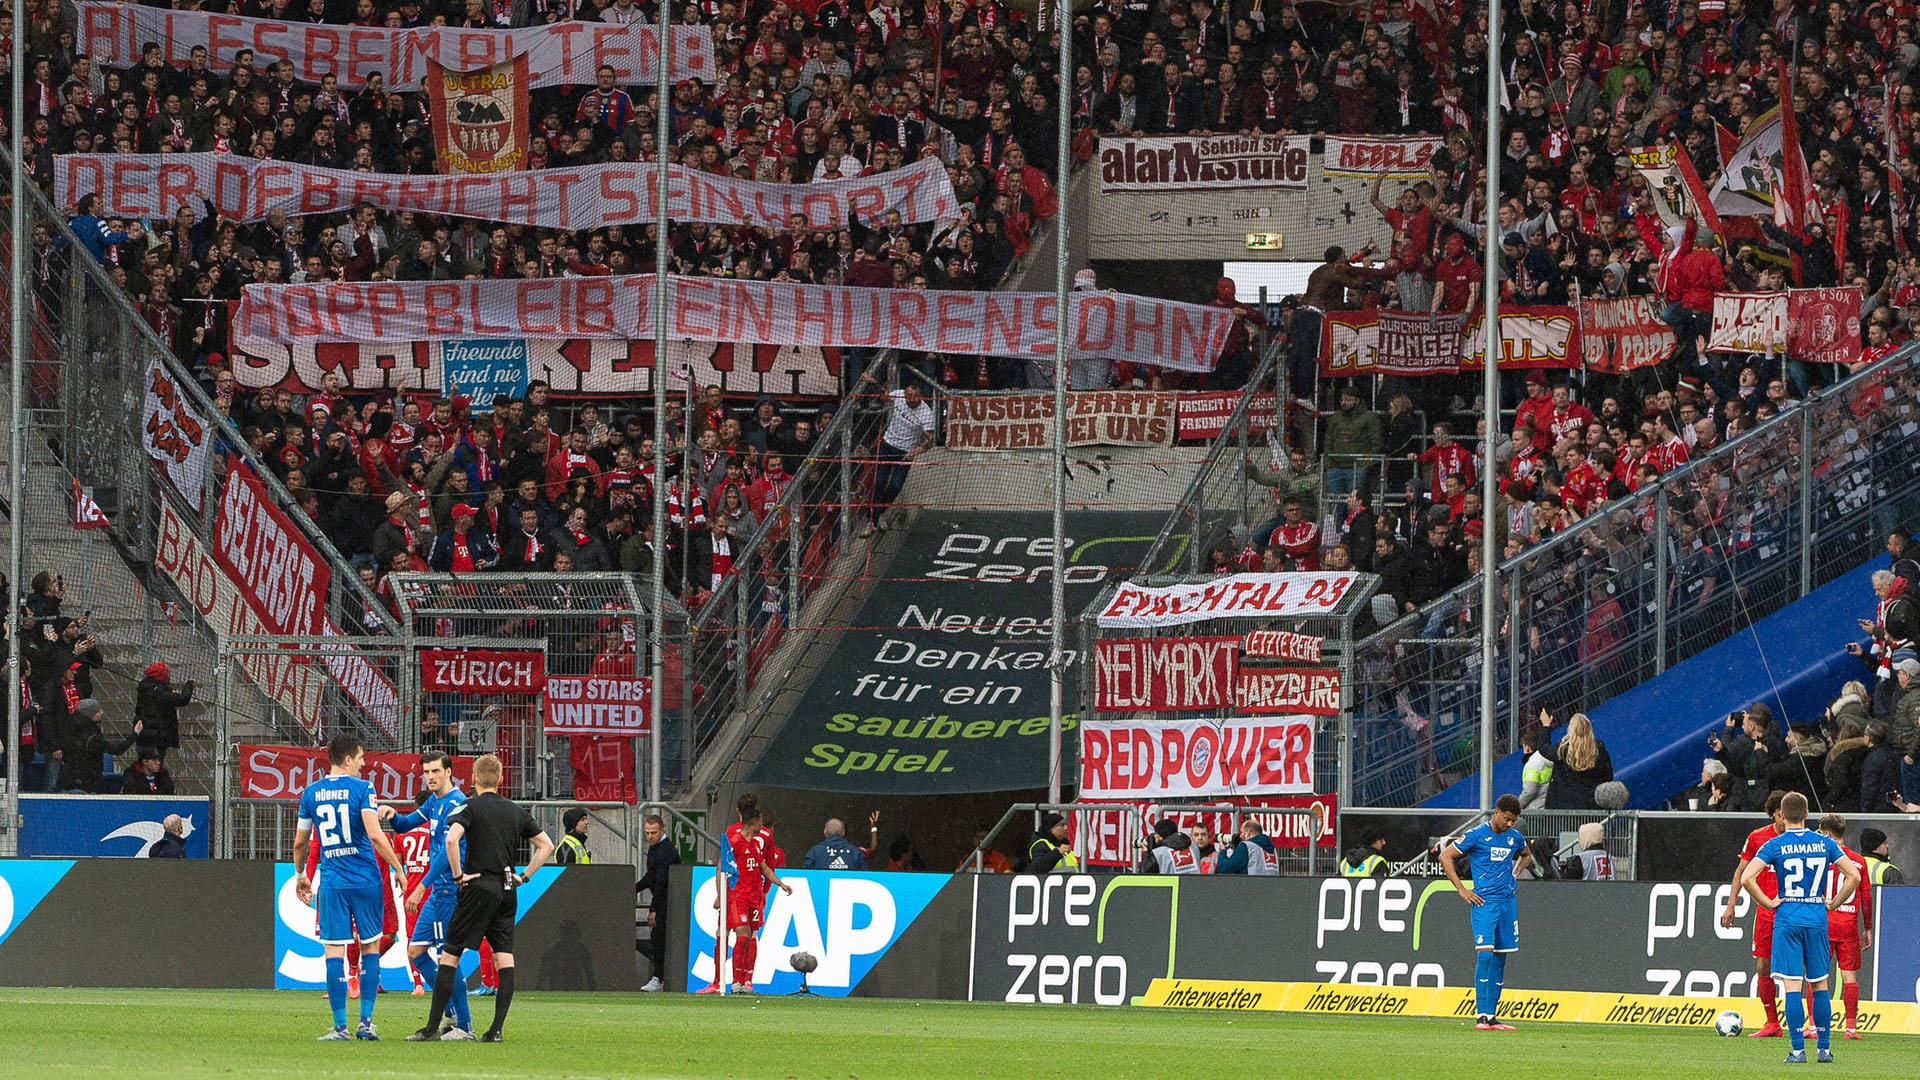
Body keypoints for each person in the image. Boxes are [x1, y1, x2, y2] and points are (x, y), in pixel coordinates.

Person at [416, 753, 554, 1043]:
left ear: (474, 779)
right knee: (504, 958)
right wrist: (524, 876)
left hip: (478, 886)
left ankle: (432, 1028)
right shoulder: (515, 811)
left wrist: (457, 876)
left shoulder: (469, 806)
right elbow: (546, 845)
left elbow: (451, 840)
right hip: (507, 889)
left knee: (449, 955)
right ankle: (496, 1031)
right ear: (501, 779)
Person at [293, 734, 406, 1041]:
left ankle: (339, 1027)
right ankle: (366, 1024)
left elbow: (301, 842)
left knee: (333, 951)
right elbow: (374, 833)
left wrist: (301, 873)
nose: (363, 762)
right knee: (370, 947)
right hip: (366, 881)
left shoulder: (311, 793)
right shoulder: (363, 789)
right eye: (360, 757)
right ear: (347, 760)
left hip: (332, 883)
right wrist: (397, 867)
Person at [1739, 792, 1860, 1063]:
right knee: (1819, 985)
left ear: (1782, 814)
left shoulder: (1775, 844)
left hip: (1787, 917)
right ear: (1807, 815)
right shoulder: (1824, 843)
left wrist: (1768, 903)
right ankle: (1825, 1049)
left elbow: (1747, 877)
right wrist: (1834, 902)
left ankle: (1797, 1050)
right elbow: (1854, 875)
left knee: (1792, 986)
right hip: (1816, 916)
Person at [385, 753, 475, 1040]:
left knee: (448, 960)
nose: (430, 776)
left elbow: (449, 855)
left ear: (448, 772)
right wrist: (391, 815)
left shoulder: (456, 804)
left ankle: (465, 1026)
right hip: (438, 892)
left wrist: (422, 885)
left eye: (436, 770)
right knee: (416, 952)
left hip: (448, 891)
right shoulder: (434, 802)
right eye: (426, 772)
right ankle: (448, 1012)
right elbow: (404, 825)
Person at [1439, 793, 1531, 1030]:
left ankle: (1491, 1017)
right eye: (1507, 819)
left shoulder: (1515, 838)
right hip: (1484, 902)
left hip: (1507, 903)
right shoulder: (1477, 835)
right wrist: (1462, 889)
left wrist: (1516, 872)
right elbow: (1445, 856)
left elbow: (1526, 855)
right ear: (1497, 812)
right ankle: (1480, 1015)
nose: (1510, 824)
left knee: (1501, 957)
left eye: (1513, 820)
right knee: (1486, 955)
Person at [1721, 790, 1789, 1039]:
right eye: (1781, 815)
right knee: (1763, 966)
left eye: (1787, 814)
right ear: (1773, 813)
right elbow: (1741, 871)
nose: (1784, 820)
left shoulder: (1801, 839)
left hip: (1794, 911)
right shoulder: (1757, 838)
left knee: (1802, 967)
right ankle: (1772, 1023)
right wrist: (1731, 905)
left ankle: (1811, 1024)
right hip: (1766, 912)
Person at [720, 799, 792, 993]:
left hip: (754, 897)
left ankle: (745, 982)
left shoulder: (754, 845)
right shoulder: (734, 842)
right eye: (760, 821)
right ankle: (736, 981)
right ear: (753, 823)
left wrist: (780, 884)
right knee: (742, 936)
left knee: (751, 937)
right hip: (739, 896)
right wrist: (721, 894)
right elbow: (722, 867)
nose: (763, 825)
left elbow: (764, 868)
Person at [1815, 814, 1871, 1040]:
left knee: (1818, 976)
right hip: (1848, 924)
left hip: (1823, 923)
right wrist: (1867, 928)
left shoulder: (1820, 856)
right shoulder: (1858, 860)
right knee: (1850, 977)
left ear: (1827, 833)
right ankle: (1850, 1027)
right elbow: (1866, 897)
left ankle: (1813, 1025)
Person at [858, 371, 934, 537]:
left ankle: (877, 514)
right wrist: (873, 382)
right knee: (878, 484)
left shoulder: (926, 413)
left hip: (905, 453)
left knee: (895, 486)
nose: (910, 398)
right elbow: (885, 396)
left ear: (921, 396)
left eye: (914, 396)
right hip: (887, 445)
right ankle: (874, 520)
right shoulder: (899, 395)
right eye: (908, 394)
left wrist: (915, 451)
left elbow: (930, 441)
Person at [1535, 709, 1613, 809]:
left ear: (1571, 730)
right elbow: (1608, 776)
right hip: (1591, 803)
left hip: (1564, 804)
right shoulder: (1599, 749)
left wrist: (1546, 726)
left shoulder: (1563, 750)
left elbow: (1544, 747)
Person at [59, 699, 139, 794]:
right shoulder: (93, 737)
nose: (102, 712)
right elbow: (117, 749)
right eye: (98, 711)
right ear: (90, 714)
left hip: (69, 777)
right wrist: (135, 734)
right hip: (85, 781)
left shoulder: (68, 728)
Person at [637, 813, 679, 992]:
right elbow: (651, 877)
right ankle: (658, 977)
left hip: (667, 902)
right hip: (663, 900)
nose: (650, 836)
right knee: (657, 939)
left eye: (653, 833)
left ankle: (659, 978)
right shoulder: (656, 849)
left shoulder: (665, 851)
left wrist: (654, 908)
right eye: (647, 833)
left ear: (662, 830)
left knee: (659, 940)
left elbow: (662, 882)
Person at [132, 661, 193, 763]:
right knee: (153, 770)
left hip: (144, 738)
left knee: (144, 768)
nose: (169, 676)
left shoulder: (146, 688)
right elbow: (182, 699)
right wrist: (189, 686)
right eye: (167, 673)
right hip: (155, 740)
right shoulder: (159, 692)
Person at [1214, 817, 1278, 875]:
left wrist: (1222, 851)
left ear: (1248, 833)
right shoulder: (1272, 849)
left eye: (1241, 832)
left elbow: (1223, 869)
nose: (1240, 836)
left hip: (1251, 886)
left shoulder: (1246, 846)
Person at [803, 817, 870, 870]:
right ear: (843, 833)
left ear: (824, 832)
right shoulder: (856, 852)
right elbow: (865, 877)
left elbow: (805, 876)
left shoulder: (814, 852)